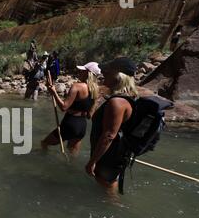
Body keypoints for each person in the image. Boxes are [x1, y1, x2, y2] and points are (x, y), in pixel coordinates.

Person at [86, 57, 138, 199]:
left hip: (109, 156)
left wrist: (93, 161)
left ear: (119, 76)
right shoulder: (126, 99)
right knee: (106, 188)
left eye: (107, 71)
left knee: (107, 192)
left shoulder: (117, 102)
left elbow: (109, 135)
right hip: (113, 154)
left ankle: (114, 211)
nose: (103, 74)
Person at [42, 62, 100, 156]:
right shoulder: (96, 90)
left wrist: (54, 93)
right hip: (82, 126)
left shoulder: (77, 86)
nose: (79, 72)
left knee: (44, 143)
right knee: (72, 155)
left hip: (70, 123)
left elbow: (64, 107)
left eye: (82, 71)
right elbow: (90, 115)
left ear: (88, 73)